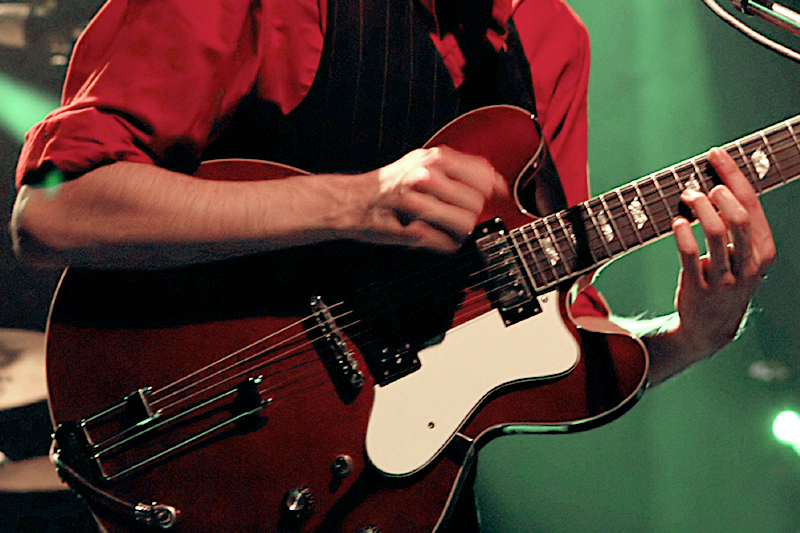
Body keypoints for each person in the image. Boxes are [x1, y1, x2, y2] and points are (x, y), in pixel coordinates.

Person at [10, 0, 776, 530]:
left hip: (408, 506)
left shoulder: (552, 36)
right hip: (211, 439)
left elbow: (549, 337)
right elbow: (55, 209)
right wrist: (351, 202)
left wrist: (691, 335)